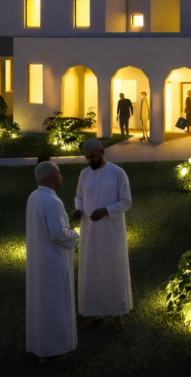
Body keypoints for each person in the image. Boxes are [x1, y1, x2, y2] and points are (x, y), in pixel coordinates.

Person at [74, 138, 133, 331]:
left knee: (113, 269)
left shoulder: (118, 173)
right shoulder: (84, 174)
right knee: (91, 270)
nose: (89, 160)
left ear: (102, 152)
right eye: (87, 157)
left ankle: (118, 315)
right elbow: (79, 197)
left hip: (111, 232)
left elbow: (126, 201)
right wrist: (78, 209)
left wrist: (107, 210)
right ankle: (94, 313)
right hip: (90, 232)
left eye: (92, 156)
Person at [26, 161, 78, 364]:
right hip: (54, 261)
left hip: (39, 261)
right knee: (56, 304)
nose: (61, 177)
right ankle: (54, 351)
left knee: (42, 304)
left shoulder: (34, 196)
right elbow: (58, 233)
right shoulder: (52, 201)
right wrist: (74, 235)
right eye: (60, 174)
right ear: (52, 177)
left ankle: (42, 347)